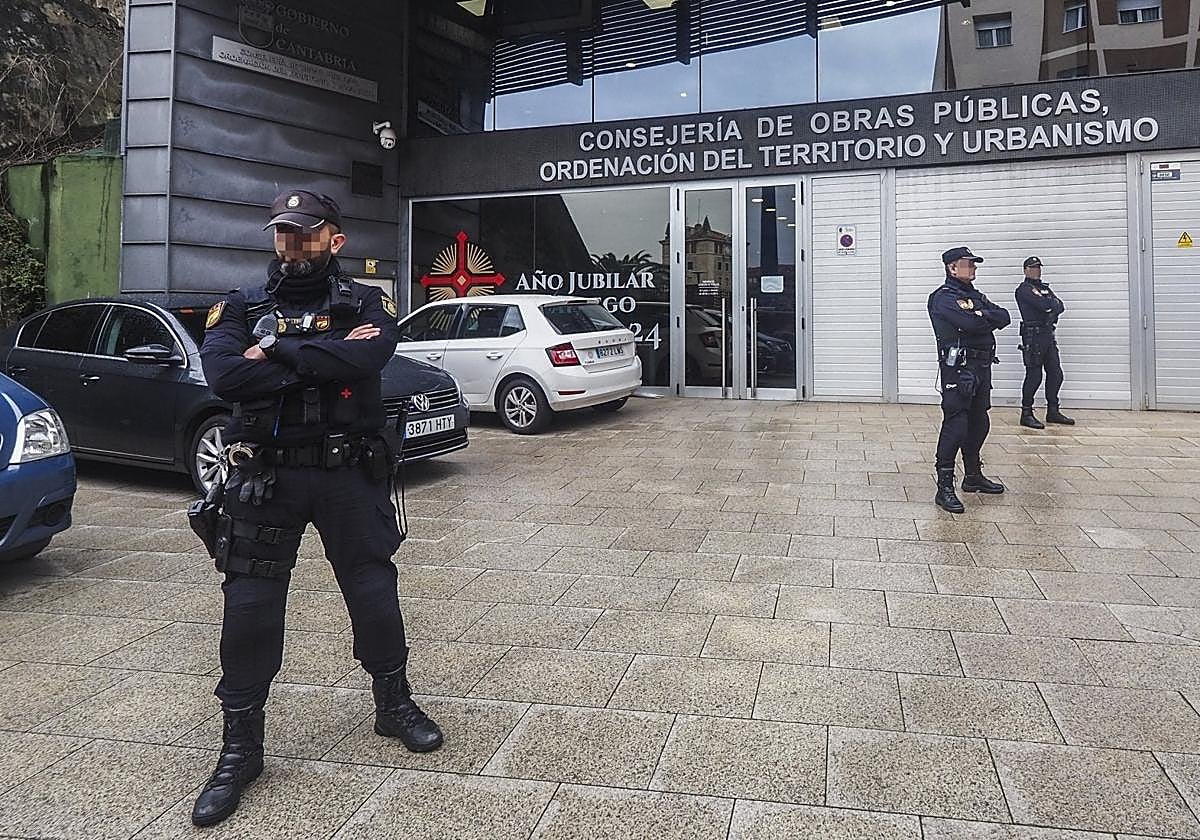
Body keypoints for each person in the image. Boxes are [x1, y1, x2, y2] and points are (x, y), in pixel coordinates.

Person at [191, 189, 442, 827]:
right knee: (249, 608)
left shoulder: (365, 302)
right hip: (266, 477)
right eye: (283, 232)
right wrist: (327, 362)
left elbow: (371, 355)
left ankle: (393, 704)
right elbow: (226, 378)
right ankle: (241, 747)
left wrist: (275, 350)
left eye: (305, 232)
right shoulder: (240, 306)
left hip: (347, 473)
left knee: (374, 593)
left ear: (335, 239)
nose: (292, 243)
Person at [927, 247, 1011, 513]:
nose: (973, 268)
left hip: (982, 366)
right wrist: (982, 318)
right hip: (959, 369)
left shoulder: (975, 296)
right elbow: (971, 325)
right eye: (968, 264)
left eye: (974, 264)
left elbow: (1005, 316)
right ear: (952, 268)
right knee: (957, 424)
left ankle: (973, 475)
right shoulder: (943, 298)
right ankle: (944, 487)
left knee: (979, 421)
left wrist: (981, 315)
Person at [1015, 256, 1074, 429]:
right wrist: (1049, 306)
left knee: (1056, 373)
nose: (1037, 270)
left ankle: (1053, 411)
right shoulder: (1024, 290)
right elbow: (1044, 305)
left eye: (1038, 267)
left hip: (1048, 334)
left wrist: (1050, 306)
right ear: (1025, 270)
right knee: (1034, 376)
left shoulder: (1044, 288)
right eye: (1033, 267)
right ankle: (1026, 413)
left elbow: (1059, 306)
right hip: (1033, 336)